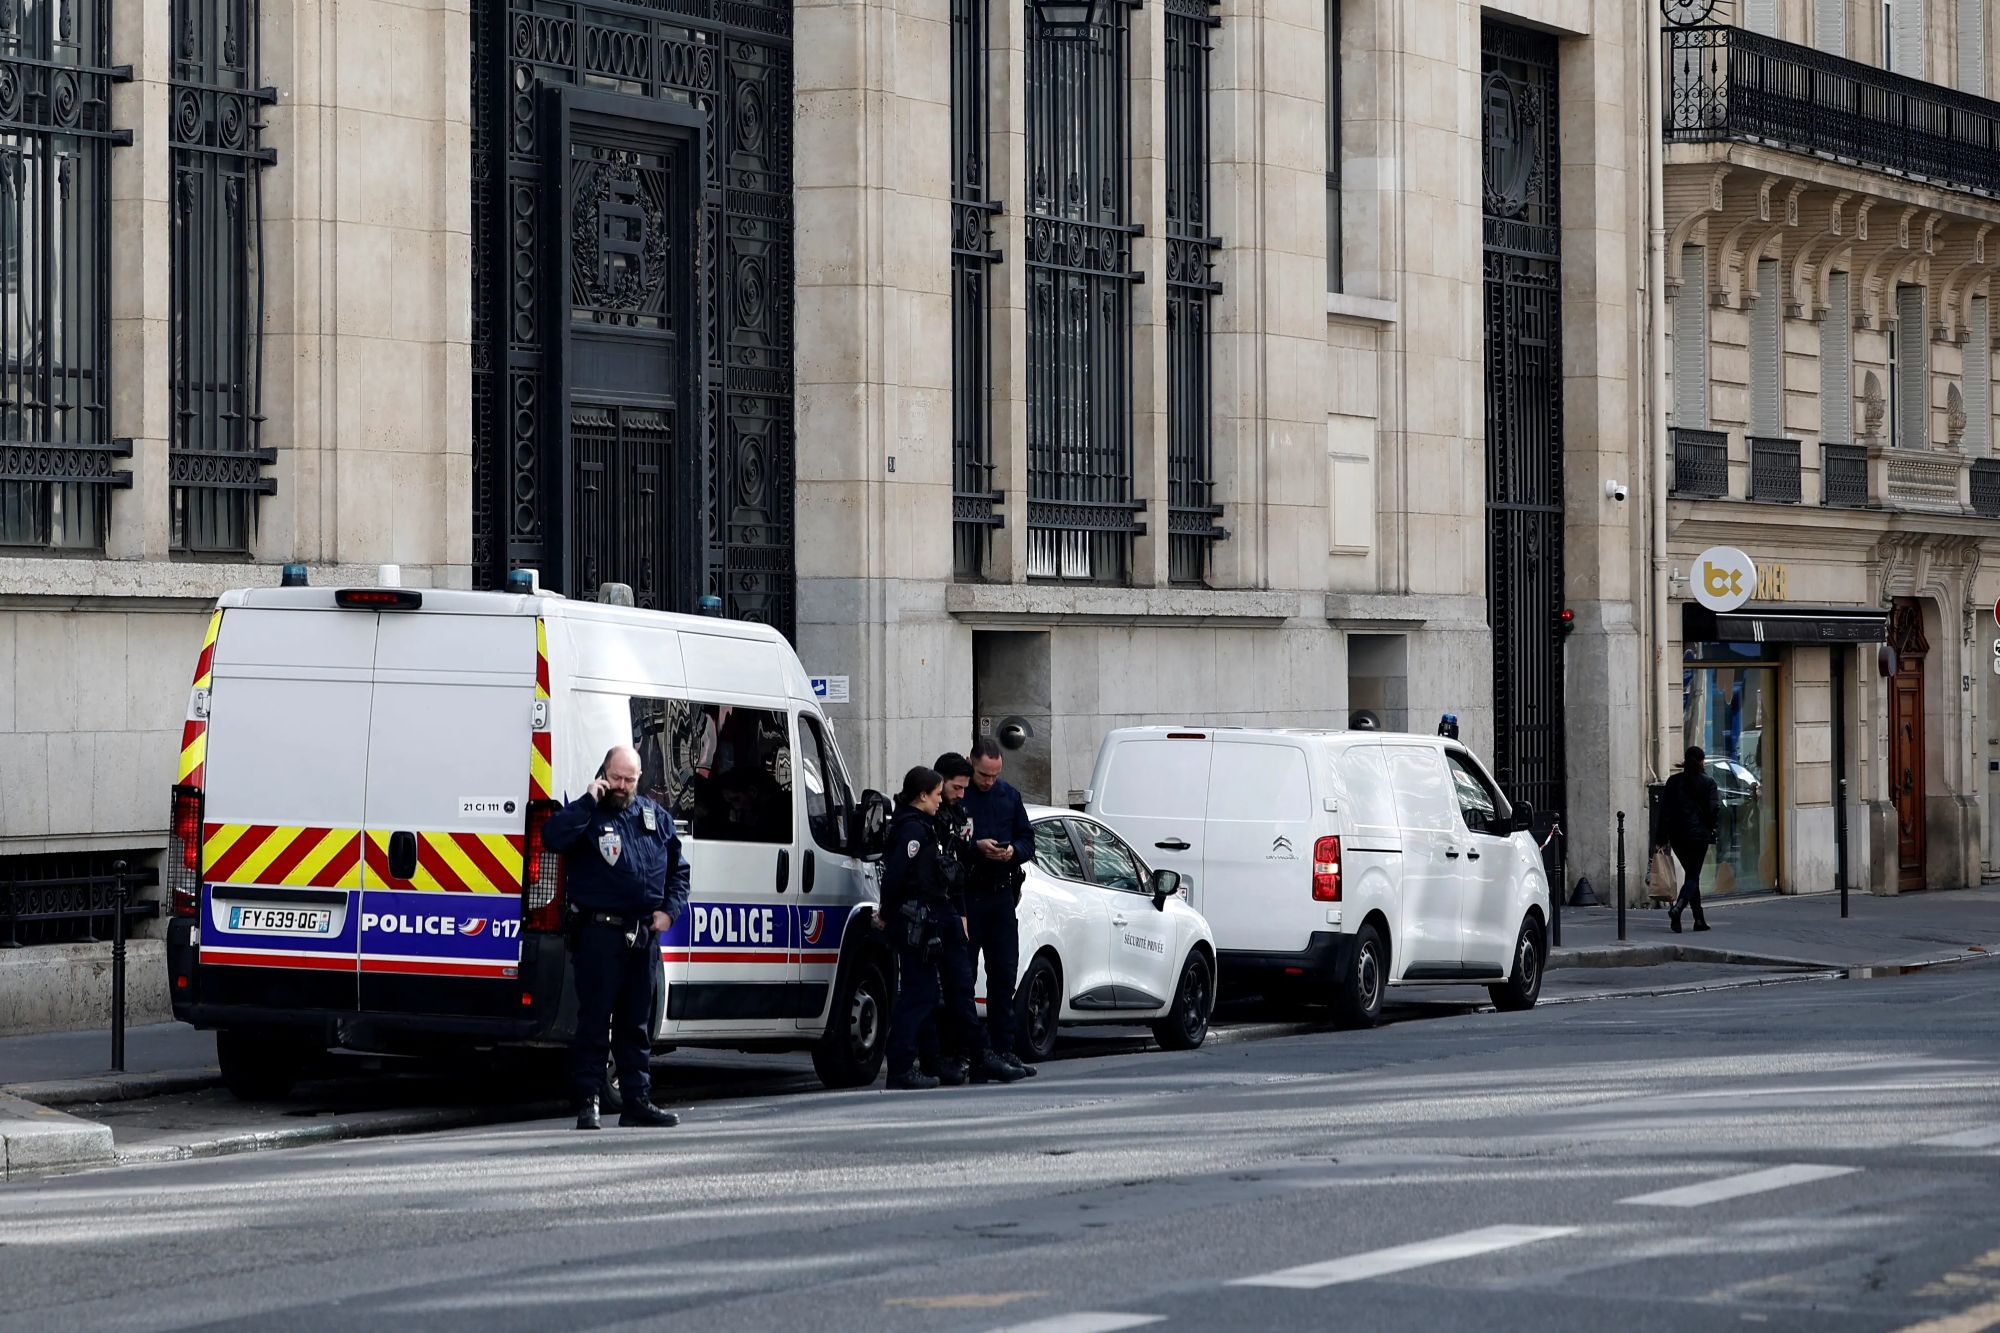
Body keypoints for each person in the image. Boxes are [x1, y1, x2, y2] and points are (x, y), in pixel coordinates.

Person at [541, 744, 690, 1130]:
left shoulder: (654, 816)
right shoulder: (587, 814)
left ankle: (637, 1100)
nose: (622, 785)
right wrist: (588, 801)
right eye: (616, 778)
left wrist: (669, 911)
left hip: (643, 936)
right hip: (600, 934)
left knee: (636, 1024)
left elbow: (679, 871)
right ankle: (588, 1102)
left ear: (639, 779)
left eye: (629, 779)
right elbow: (553, 837)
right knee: (594, 1021)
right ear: (603, 774)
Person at [878, 766, 1024, 1090]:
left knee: (955, 988)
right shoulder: (912, 829)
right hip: (920, 916)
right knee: (919, 994)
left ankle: (976, 1055)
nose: (942, 800)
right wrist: (886, 914)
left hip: (941, 912)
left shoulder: (935, 823)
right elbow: (895, 877)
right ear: (923, 795)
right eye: (938, 794)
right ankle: (903, 1066)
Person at [958, 738, 1037, 1076]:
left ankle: (1004, 1048)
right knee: (964, 976)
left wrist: (1012, 852)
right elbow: (949, 843)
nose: (989, 781)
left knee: (1004, 974)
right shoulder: (960, 794)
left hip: (1001, 893)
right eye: (983, 775)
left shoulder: (1009, 795)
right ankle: (967, 1052)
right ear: (970, 763)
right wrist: (976, 848)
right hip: (969, 894)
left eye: (994, 775)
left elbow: (1028, 840)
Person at [1658, 745, 1721, 934]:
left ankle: (1698, 919)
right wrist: (1711, 827)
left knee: (1691, 875)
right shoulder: (1708, 783)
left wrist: (1661, 837)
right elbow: (1714, 810)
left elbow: (1665, 812)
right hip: (1699, 836)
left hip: (1677, 836)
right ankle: (1679, 908)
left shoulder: (1673, 781)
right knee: (1693, 875)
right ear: (1701, 761)